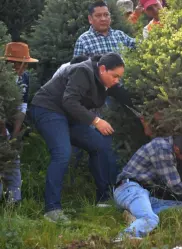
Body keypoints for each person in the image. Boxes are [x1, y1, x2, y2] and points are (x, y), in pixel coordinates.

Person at [29, 53, 139, 222]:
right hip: (48, 109)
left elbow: (125, 96)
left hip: (69, 116)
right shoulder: (82, 71)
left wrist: (144, 115)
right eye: (115, 76)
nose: (117, 80)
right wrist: (96, 121)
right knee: (62, 153)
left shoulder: (106, 80)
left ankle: (103, 200)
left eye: (119, 77)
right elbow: (69, 101)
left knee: (100, 145)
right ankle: (52, 210)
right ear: (102, 69)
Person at [113, 132, 182, 241]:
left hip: (140, 193)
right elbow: (174, 184)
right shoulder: (162, 149)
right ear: (177, 149)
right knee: (150, 219)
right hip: (129, 189)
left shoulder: (166, 147)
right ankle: (122, 239)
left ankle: (132, 215)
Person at [0, 42, 38, 204]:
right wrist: (3, 132)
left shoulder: (25, 78)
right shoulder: (2, 79)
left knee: (13, 159)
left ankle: (14, 201)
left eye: (25, 65)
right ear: (11, 63)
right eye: (20, 64)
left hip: (11, 124)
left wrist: (15, 134)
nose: (23, 68)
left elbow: (22, 106)